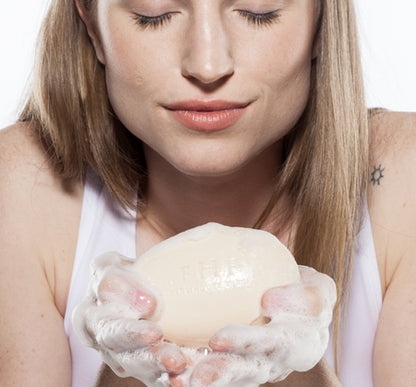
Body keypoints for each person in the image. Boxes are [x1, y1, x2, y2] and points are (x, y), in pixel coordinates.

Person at [0, 0, 414, 386]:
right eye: (154, 12)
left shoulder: (401, 180)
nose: (208, 64)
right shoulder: (26, 185)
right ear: (91, 24)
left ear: (321, 21)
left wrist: (297, 373)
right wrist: (129, 366)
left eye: (258, 11)